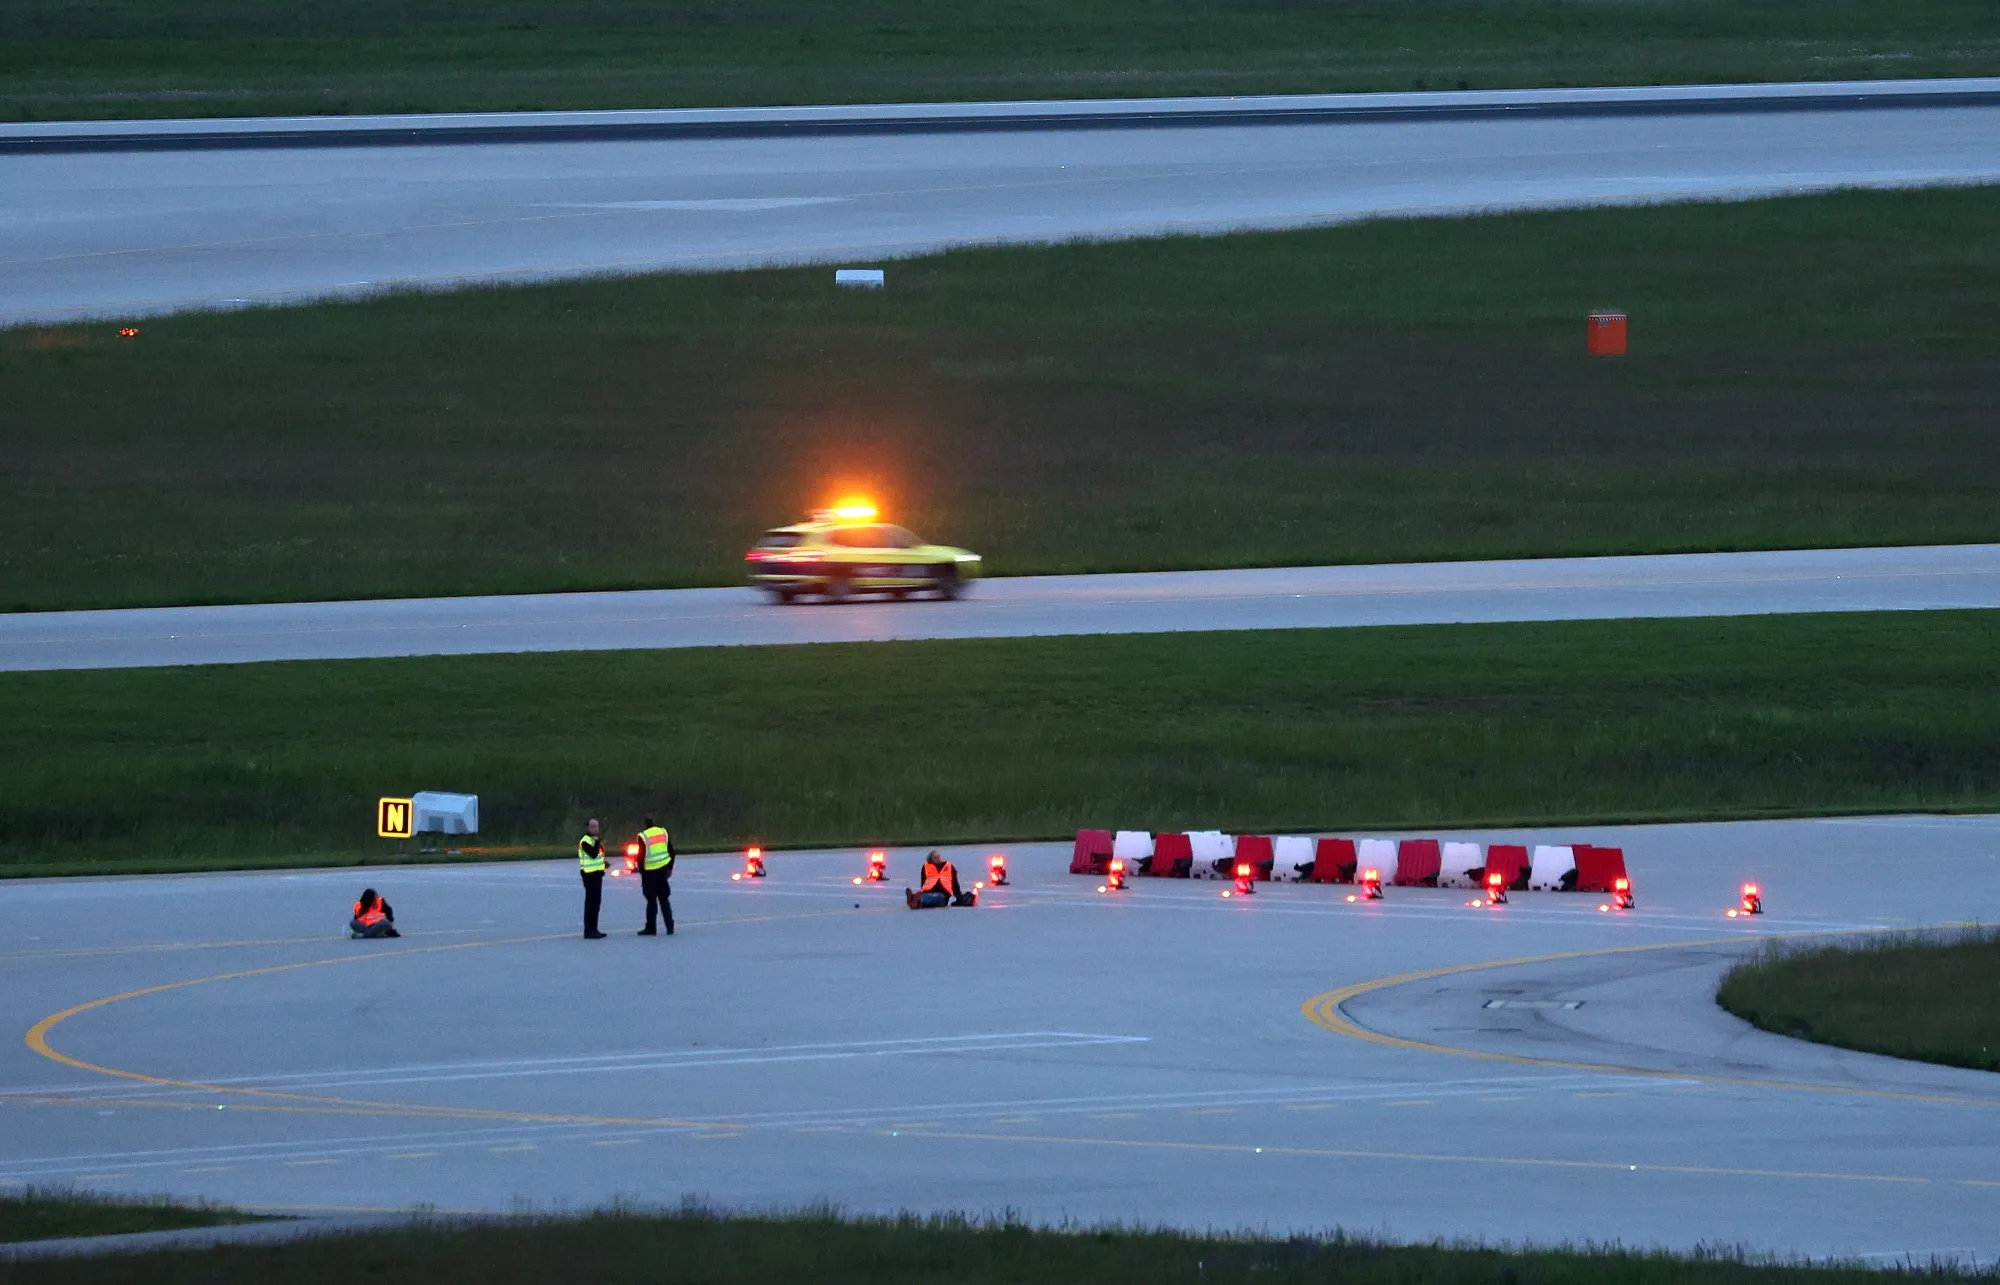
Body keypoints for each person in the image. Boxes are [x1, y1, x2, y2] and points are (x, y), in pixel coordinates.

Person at [636, 814, 676, 937]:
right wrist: (669, 867)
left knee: (651, 902)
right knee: (664, 900)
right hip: (662, 872)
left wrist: (642, 873)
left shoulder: (643, 836)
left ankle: (651, 928)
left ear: (645, 824)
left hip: (649, 874)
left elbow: (641, 857)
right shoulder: (663, 832)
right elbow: (672, 852)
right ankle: (670, 927)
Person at [906, 850, 977, 909]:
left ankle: (917, 900)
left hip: (943, 894)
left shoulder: (949, 866)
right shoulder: (926, 867)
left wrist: (958, 896)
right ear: (931, 860)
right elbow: (923, 881)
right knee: (928, 899)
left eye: (938, 857)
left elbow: (955, 883)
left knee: (939, 897)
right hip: (928, 892)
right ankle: (916, 901)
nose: (938, 859)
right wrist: (923, 890)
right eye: (935, 858)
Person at [578, 817, 609, 939]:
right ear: (587, 828)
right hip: (589, 876)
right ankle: (589, 930)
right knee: (591, 903)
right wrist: (597, 842)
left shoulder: (596, 841)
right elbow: (593, 853)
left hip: (597, 874)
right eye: (593, 826)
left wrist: (604, 863)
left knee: (596, 903)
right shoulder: (585, 841)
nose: (596, 829)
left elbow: (597, 857)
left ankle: (594, 928)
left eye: (597, 826)